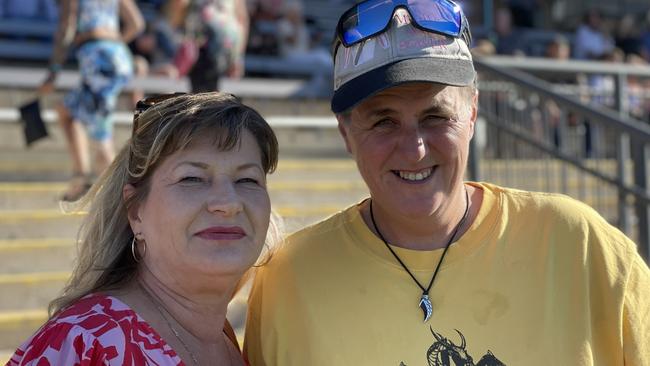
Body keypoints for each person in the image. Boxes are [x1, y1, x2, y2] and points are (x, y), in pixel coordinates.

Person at [244, 1, 650, 365]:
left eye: (436, 116)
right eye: (383, 121)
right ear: (346, 133)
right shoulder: (289, 279)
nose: (415, 148)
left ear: (472, 113)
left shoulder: (580, 246)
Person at [7, 92, 281, 365]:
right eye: (192, 178)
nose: (228, 203)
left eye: (247, 179)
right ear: (135, 211)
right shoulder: (85, 342)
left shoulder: (234, 345)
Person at [39, 0, 144, 201]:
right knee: (67, 111)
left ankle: (119, 198)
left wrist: (53, 71)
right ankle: (82, 178)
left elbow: (66, 28)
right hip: (118, 57)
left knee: (101, 132)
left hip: (99, 61)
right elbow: (137, 24)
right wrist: (114, 41)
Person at [187, 0, 249, 92]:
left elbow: (242, 20)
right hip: (196, 52)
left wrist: (237, 58)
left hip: (224, 54)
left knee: (218, 96)